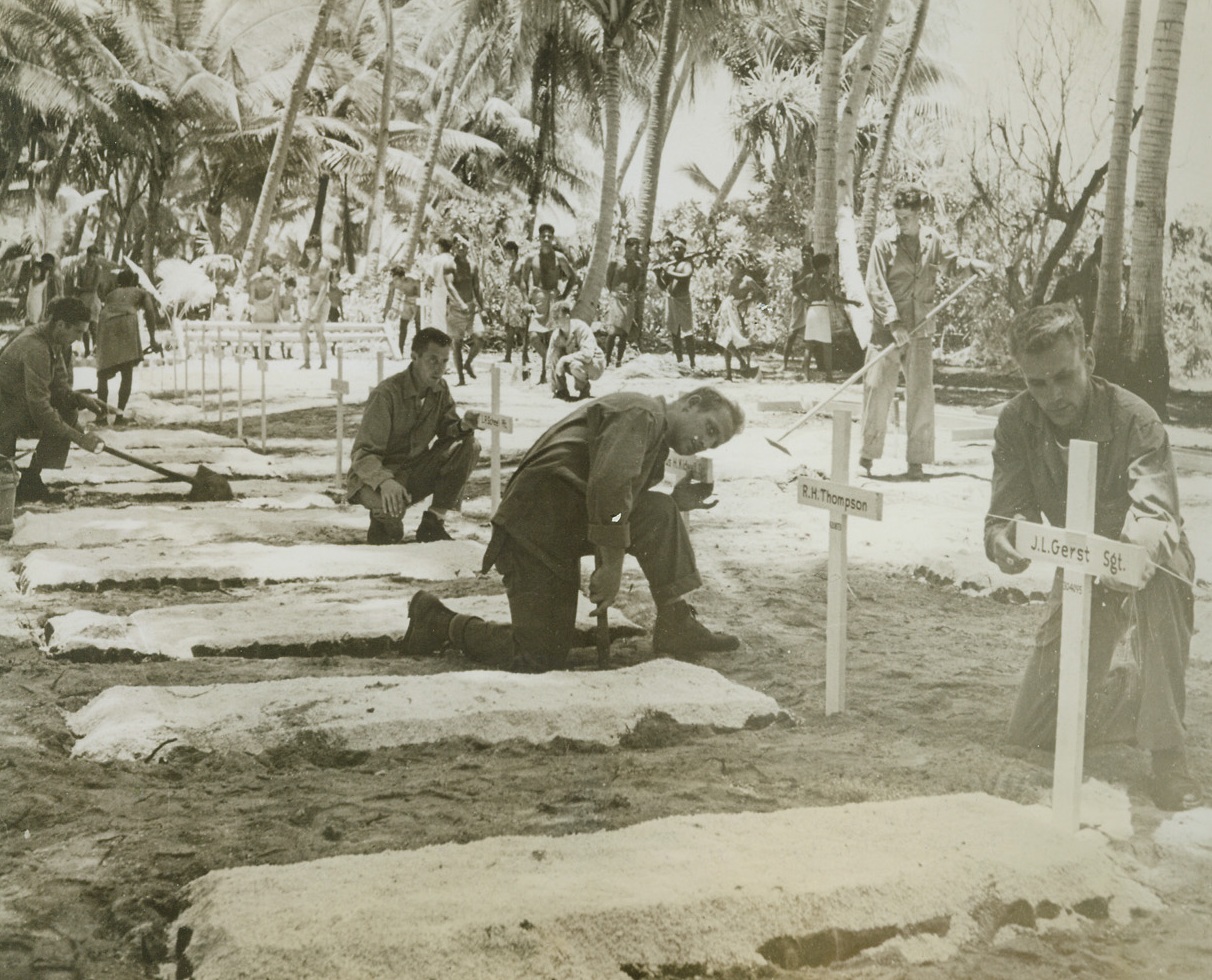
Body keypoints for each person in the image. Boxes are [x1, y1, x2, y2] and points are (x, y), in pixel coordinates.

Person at [986, 304, 1201, 812]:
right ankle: (1135, 694)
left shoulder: (1136, 419)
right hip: (1080, 568)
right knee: (1033, 731)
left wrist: (1127, 560)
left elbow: (1155, 517)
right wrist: (1005, 542)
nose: (1053, 395)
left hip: (1145, 561)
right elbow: (1004, 512)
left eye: (1064, 376)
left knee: (1164, 577)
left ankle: (1168, 753)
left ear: (1089, 357)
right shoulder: (1016, 421)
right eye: (1037, 383)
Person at [402, 386, 745, 672]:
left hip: (565, 521)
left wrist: (677, 501)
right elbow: (610, 490)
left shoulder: (654, 434)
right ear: (691, 403)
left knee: (661, 510)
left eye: (715, 442)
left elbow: (620, 499)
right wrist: (612, 566)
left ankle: (676, 623)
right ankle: (437, 620)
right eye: (710, 428)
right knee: (539, 655)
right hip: (533, 526)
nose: (706, 442)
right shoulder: (642, 413)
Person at [860, 182, 993, 479]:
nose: (901, 222)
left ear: (919, 213)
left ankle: (916, 462)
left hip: (920, 329)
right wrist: (894, 323)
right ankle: (867, 456)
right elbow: (875, 286)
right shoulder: (883, 243)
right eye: (897, 217)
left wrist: (973, 264)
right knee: (876, 389)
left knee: (921, 394)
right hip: (887, 331)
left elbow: (952, 264)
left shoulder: (933, 240)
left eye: (907, 217)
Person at [346, 327, 482, 545]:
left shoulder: (440, 388)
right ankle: (382, 519)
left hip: (412, 471)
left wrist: (463, 425)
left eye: (444, 361)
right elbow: (363, 454)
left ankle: (433, 522)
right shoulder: (386, 394)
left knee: (469, 444)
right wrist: (385, 481)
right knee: (390, 527)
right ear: (414, 357)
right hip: (374, 477)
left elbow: (447, 430)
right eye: (432, 360)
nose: (439, 368)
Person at [0, 297, 108, 502]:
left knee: (68, 410)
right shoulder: (36, 348)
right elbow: (40, 410)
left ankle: (31, 479)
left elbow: (59, 388)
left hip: (15, 406)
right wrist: (79, 438)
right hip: (4, 412)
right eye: (77, 332)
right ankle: (9, 477)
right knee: (3, 484)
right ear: (61, 325)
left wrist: (80, 399)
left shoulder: (54, 341)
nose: (79, 338)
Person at [94, 268, 162, 425]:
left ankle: (101, 416)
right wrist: (153, 339)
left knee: (103, 372)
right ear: (134, 281)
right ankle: (119, 416)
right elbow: (150, 312)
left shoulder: (111, 294)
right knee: (126, 371)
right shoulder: (141, 292)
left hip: (105, 322)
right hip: (126, 321)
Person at [520, 223, 580, 384]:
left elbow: (573, 277)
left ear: (553, 238)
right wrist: (525, 301)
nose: (546, 239)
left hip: (553, 298)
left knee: (551, 337)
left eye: (549, 236)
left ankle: (545, 374)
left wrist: (564, 296)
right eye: (543, 236)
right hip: (537, 298)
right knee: (533, 336)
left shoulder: (559, 258)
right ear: (539, 238)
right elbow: (523, 280)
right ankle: (551, 363)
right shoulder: (531, 258)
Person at [796, 252, 861, 383]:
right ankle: (829, 376)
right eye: (826, 266)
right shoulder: (822, 281)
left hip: (811, 310)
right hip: (821, 310)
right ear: (820, 267)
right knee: (827, 345)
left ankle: (806, 375)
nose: (828, 268)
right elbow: (834, 297)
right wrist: (852, 302)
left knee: (809, 345)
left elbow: (794, 289)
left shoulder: (808, 278)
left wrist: (804, 299)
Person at [712, 256, 764, 382]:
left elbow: (761, 293)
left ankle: (742, 363)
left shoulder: (748, 280)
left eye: (733, 266)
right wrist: (717, 314)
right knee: (726, 340)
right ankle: (729, 374)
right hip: (726, 310)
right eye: (729, 266)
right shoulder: (733, 281)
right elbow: (727, 298)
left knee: (728, 340)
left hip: (734, 311)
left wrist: (747, 302)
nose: (730, 269)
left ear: (740, 266)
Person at [546, 301, 606, 401]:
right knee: (555, 354)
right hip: (575, 361)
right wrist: (552, 386)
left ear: (567, 316)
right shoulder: (556, 335)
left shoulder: (581, 328)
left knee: (575, 365)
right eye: (553, 317)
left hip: (594, 364)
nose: (555, 320)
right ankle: (561, 391)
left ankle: (584, 390)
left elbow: (587, 355)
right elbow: (549, 361)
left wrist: (563, 359)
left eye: (557, 317)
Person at [446, 236, 486, 385]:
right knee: (457, 343)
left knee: (480, 337)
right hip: (455, 308)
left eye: (463, 245)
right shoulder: (450, 265)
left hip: (471, 308)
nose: (461, 248)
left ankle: (468, 363)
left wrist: (483, 308)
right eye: (458, 245)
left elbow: (476, 287)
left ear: (468, 247)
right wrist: (460, 303)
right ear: (454, 248)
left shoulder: (473, 266)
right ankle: (460, 378)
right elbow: (450, 286)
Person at [654, 236, 696, 369]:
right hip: (671, 300)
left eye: (679, 248)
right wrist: (658, 275)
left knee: (687, 332)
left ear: (684, 250)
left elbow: (686, 276)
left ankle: (692, 362)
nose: (676, 250)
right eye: (674, 248)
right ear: (671, 250)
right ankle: (679, 361)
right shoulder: (670, 265)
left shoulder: (687, 263)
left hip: (683, 301)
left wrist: (669, 272)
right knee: (674, 332)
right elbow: (664, 286)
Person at [602, 236, 644, 367]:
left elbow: (636, 284)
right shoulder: (615, 262)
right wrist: (615, 292)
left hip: (628, 300)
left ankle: (618, 361)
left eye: (637, 249)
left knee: (624, 333)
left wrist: (629, 294)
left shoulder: (637, 267)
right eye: (634, 248)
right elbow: (608, 281)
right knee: (613, 331)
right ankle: (607, 360)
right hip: (616, 299)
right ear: (627, 247)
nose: (636, 251)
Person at [71, 245, 109, 357]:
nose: (94, 259)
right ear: (87, 255)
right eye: (92, 256)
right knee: (84, 327)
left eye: (96, 257)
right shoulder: (81, 267)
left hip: (93, 299)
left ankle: (96, 349)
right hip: (83, 299)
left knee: (93, 326)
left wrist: (80, 289)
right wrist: (77, 289)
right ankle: (87, 350)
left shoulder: (98, 268)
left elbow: (94, 287)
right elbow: (78, 283)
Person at [783, 244, 815, 370]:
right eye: (802, 255)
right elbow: (794, 289)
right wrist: (803, 298)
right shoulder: (797, 272)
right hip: (798, 303)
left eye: (807, 255)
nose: (804, 258)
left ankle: (806, 366)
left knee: (810, 336)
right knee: (792, 334)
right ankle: (784, 364)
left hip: (811, 303)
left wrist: (809, 298)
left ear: (812, 256)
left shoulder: (815, 272)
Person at [300, 237, 330, 370]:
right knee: (303, 329)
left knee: (318, 330)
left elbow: (323, 287)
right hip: (312, 298)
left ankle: (323, 363)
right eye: (307, 252)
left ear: (318, 250)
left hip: (320, 300)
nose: (308, 254)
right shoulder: (313, 263)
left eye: (310, 251)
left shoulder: (323, 264)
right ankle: (307, 361)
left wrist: (316, 307)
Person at [500, 241, 530, 370]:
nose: (505, 254)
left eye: (506, 252)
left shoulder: (521, 263)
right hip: (511, 297)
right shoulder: (513, 264)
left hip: (518, 297)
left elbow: (523, 282)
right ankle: (508, 356)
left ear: (512, 251)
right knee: (510, 327)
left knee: (521, 327)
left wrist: (525, 300)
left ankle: (525, 355)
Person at [383, 265, 422, 357]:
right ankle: (399, 352)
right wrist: (384, 314)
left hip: (418, 302)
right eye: (393, 278)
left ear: (403, 277)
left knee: (418, 326)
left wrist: (418, 302)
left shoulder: (413, 281)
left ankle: (419, 352)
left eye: (396, 279)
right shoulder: (392, 284)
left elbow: (422, 293)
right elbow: (389, 299)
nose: (395, 281)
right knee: (403, 325)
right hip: (407, 301)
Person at [429, 237, 456, 335]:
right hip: (453, 291)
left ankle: (440, 341)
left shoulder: (436, 260)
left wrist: (430, 288)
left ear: (440, 247)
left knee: (438, 320)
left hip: (439, 290)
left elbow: (429, 279)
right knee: (451, 319)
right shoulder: (454, 260)